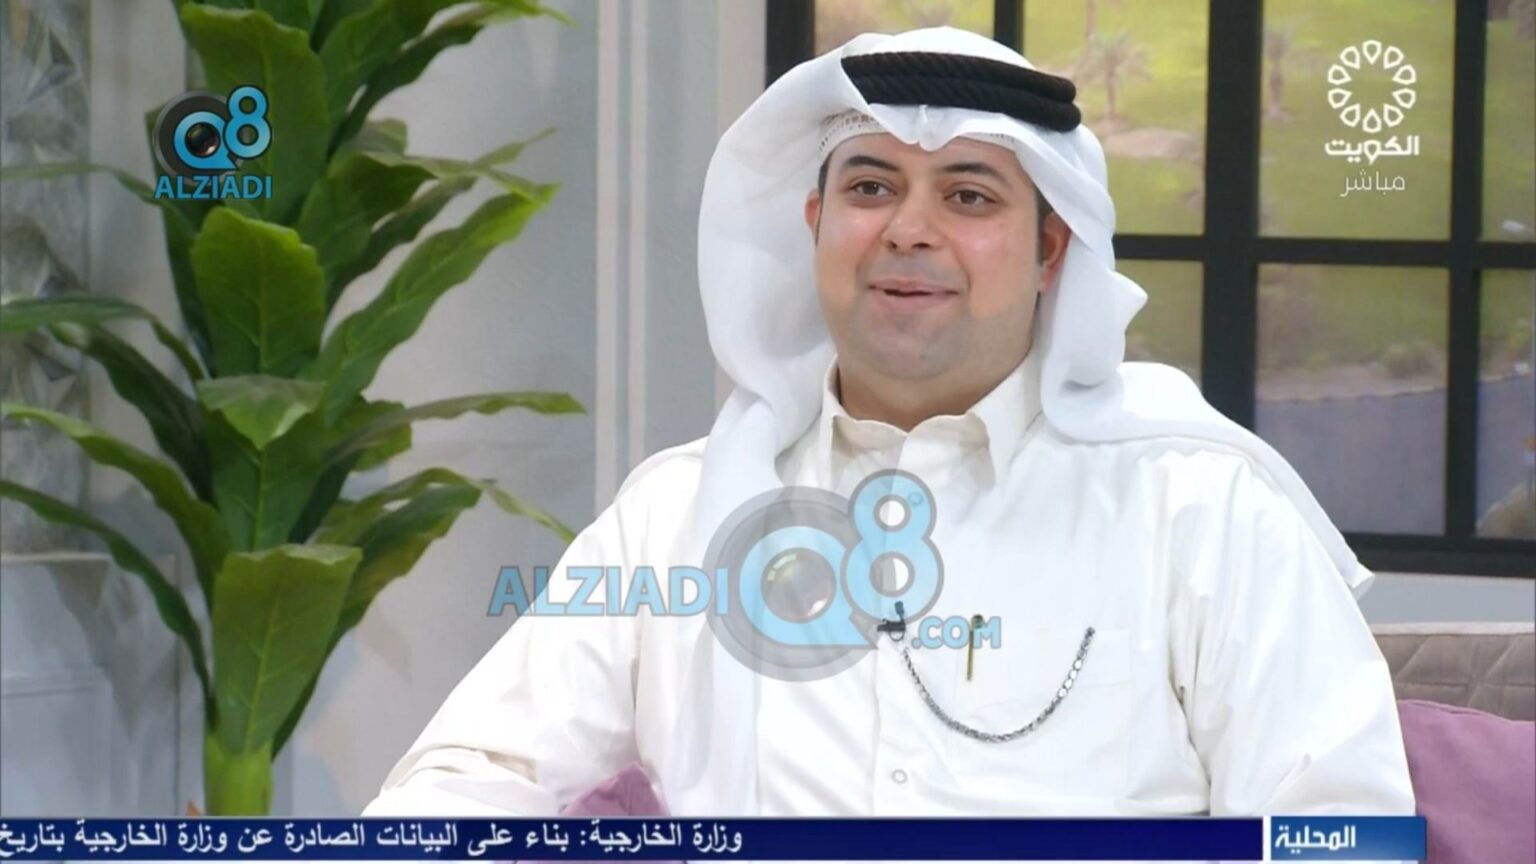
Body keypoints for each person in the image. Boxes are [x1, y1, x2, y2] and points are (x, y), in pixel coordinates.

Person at [362, 26, 1413, 823]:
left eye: (969, 196)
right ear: (817, 223)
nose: (909, 230)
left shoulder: (1201, 507)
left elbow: (1338, 826)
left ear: (1051, 252)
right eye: (871, 187)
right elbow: (469, 778)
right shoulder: (678, 516)